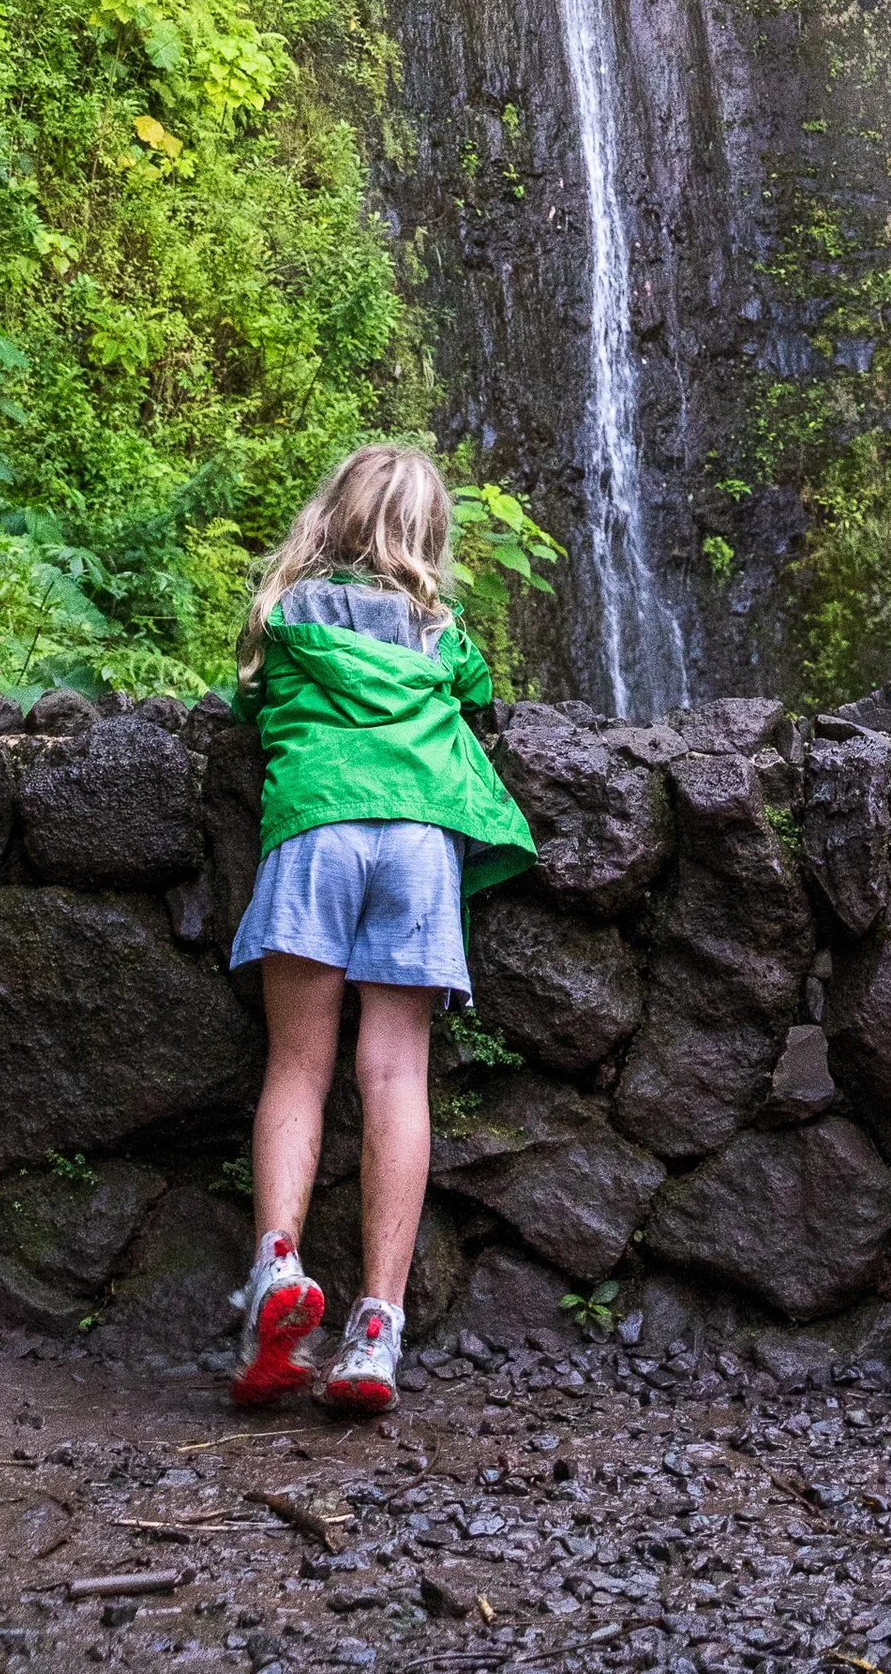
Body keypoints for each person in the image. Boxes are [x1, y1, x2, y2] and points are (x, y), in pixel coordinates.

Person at [225, 443, 536, 1414]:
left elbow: (245, 702)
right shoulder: (441, 633)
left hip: (313, 832)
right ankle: (375, 1329)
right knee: (394, 1072)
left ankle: (279, 1273)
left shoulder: (283, 618)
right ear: (428, 534)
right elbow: (482, 702)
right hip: (414, 842)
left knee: (297, 1069)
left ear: (333, 516)